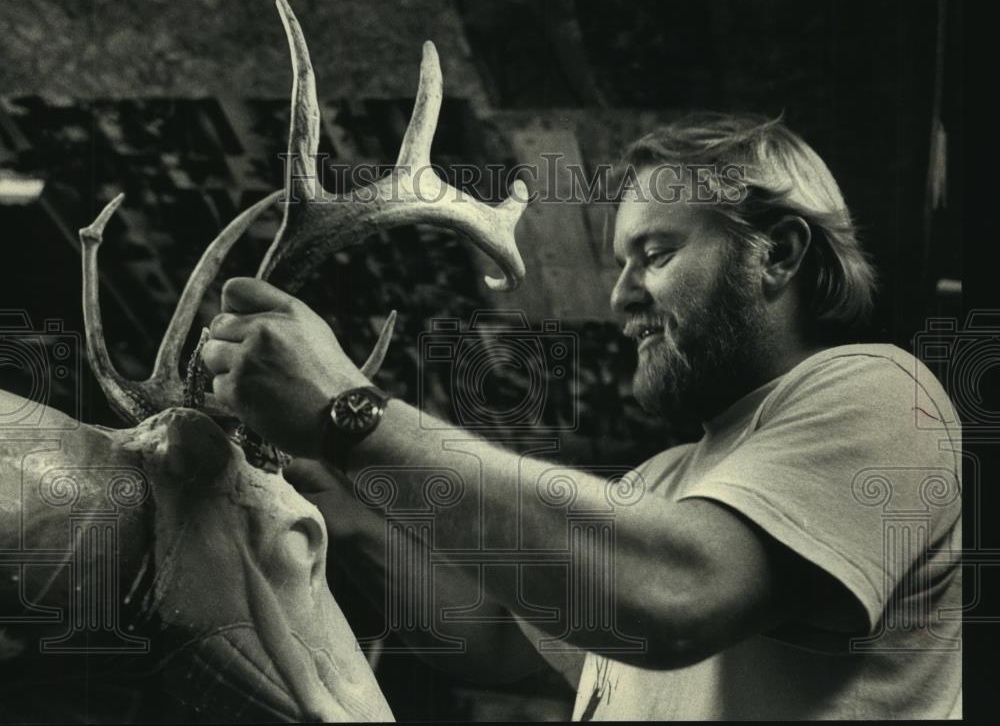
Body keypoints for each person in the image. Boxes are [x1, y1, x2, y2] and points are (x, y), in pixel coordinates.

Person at [202, 113, 962, 719]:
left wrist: (352, 416)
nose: (619, 296)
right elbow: (498, 637)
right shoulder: (665, 480)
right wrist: (339, 494)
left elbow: (679, 594)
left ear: (778, 253)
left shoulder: (885, 394)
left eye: (655, 254)